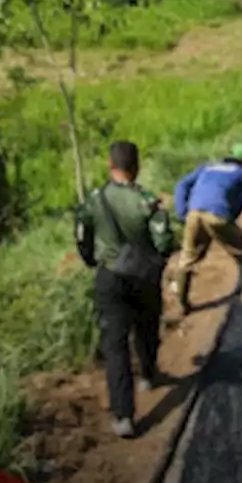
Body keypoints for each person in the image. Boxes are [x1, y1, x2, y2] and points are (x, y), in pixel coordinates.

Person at [73, 141, 177, 438]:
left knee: (115, 346)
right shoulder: (148, 201)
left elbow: (82, 235)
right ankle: (147, 374)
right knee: (147, 325)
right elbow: (164, 241)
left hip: (110, 277)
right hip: (144, 276)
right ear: (137, 166)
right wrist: (157, 261)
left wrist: (92, 260)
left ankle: (123, 416)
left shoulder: (94, 200)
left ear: (110, 165)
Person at [170, 144, 242, 316]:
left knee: (187, 260)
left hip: (194, 213)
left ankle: (183, 304)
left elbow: (181, 185)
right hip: (218, 215)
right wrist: (227, 226)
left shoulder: (207, 167)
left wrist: (183, 211)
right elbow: (237, 206)